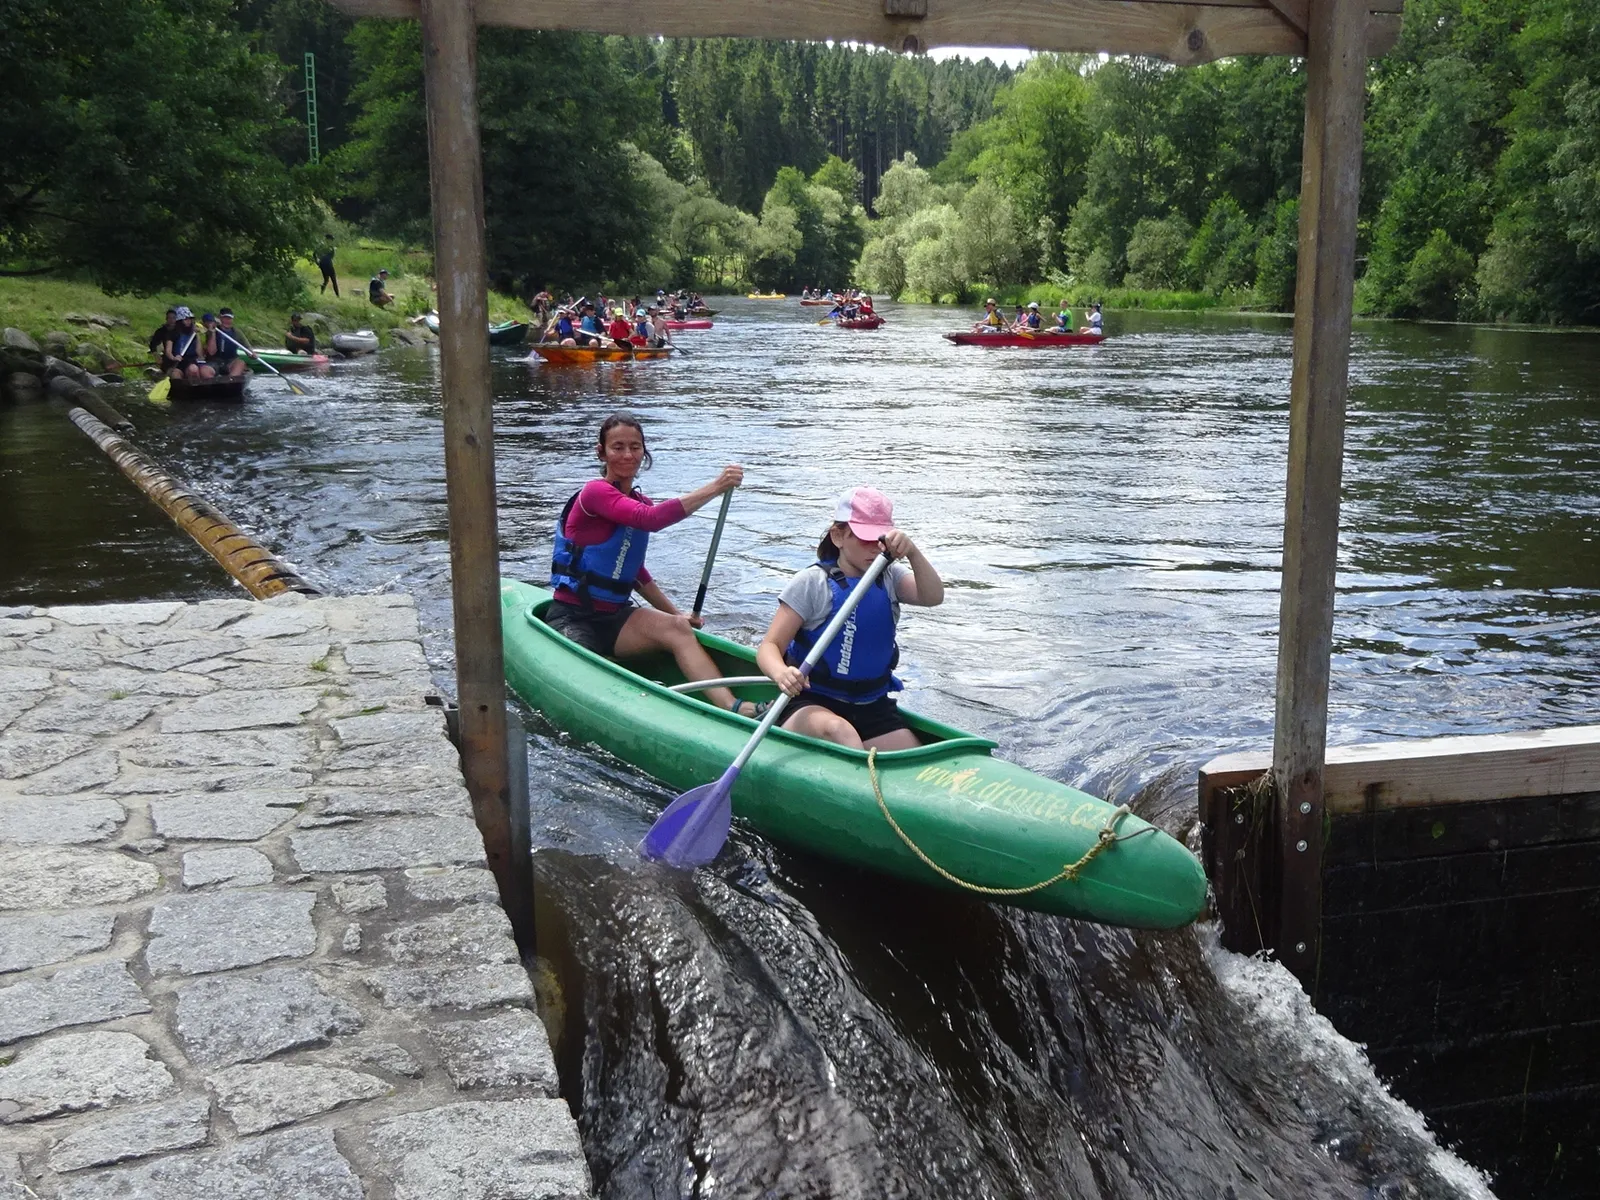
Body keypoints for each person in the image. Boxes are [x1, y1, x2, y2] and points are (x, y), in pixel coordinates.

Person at [545, 413, 754, 715]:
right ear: (601, 452)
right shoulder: (595, 493)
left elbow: (636, 574)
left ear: (644, 452)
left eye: (635, 447)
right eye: (618, 447)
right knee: (590, 673)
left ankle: (734, 706)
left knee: (678, 629)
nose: (628, 455)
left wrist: (677, 615)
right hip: (572, 617)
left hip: (615, 618)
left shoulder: (640, 503)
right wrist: (716, 486)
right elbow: (652, 520)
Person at [754, 487, 944, 750]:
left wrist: (912, 552)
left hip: (871, 705)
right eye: (865, 539)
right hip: (812, 702)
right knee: (842, 733)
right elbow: (769, 646)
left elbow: (933, 596)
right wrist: (781, 673)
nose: (875, 549)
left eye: (881, 540)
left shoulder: (891, 577)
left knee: (913, 753)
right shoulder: (812, 583)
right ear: (838, 536)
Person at [164, 307, 211, 381]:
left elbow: (200, 353)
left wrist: (197, 335)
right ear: (180, 321)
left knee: (194, 369)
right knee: (175, 375)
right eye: (186, 319)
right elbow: (168, 351)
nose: (189, 321)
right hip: (177, 362)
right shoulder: (172, 333)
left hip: (191, 361)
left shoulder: (193, 334)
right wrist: (173, 358)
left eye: (190, 319)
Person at [211, 309, 250, 377]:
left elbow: (248, 347)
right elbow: (211, 352)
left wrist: (251, 353)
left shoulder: (237, 332)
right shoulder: (213, 330)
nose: (227, 321)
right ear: (220, 318)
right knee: (205, 371)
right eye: (225, 318)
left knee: (240, 363)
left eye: (229, 319)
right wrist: (212, 331)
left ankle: (231, 380)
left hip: (231, 361)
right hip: (215, 361)